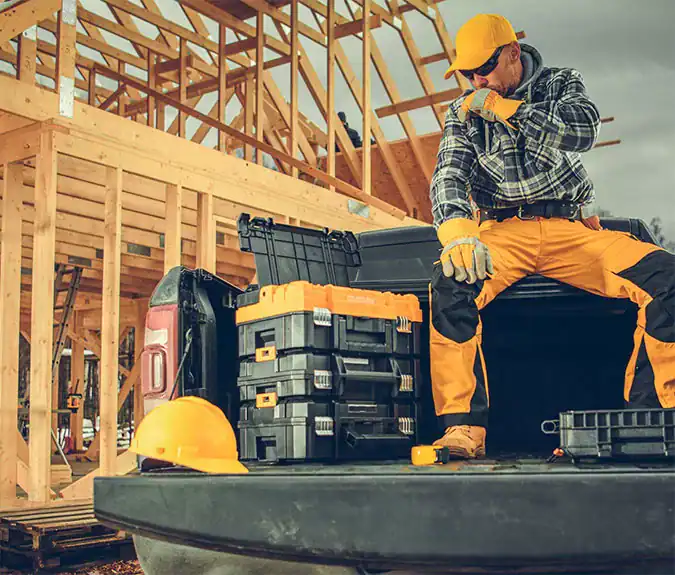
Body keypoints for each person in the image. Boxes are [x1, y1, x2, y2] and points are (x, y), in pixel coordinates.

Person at [429, 13, 675, 458]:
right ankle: (463, 431)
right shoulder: (462, 111)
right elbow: (447, 174)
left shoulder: (560, 84)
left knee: (666, 277)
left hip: (572, 230)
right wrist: (459, 233)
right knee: (452, 283)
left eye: (483, 70)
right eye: (467, 74)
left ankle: (650, 423)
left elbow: (582, 132)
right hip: (502, 232)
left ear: (510, 55)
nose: (476, 81)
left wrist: (512, 112)